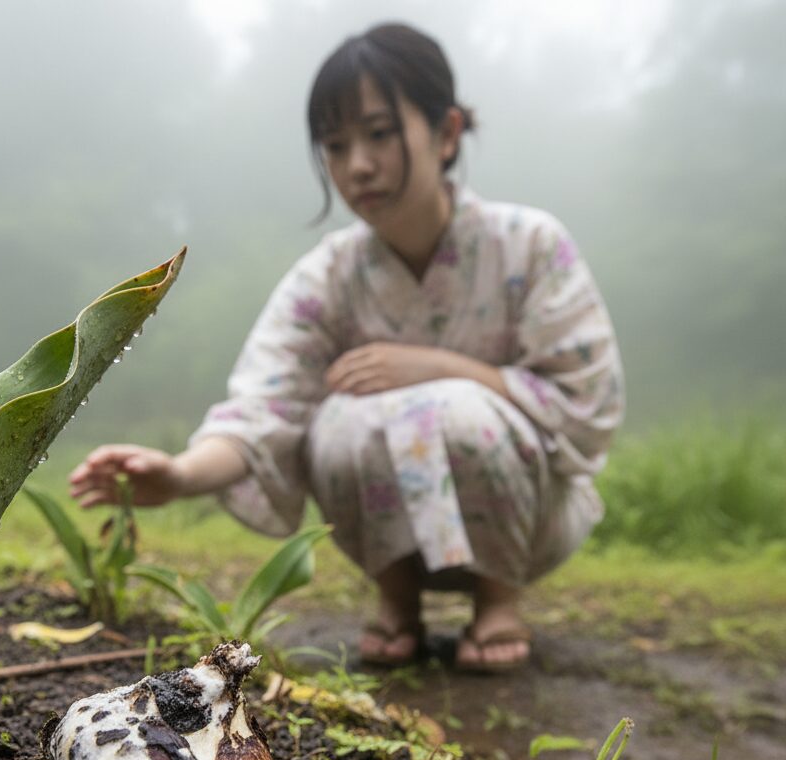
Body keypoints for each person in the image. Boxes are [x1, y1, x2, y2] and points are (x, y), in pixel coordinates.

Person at [70, 23, 624, 672]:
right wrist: (180, 474)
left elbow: (583, 400)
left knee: (450, 409)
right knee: (332, 421)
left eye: (380, 133)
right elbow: (264, 410)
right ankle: (397, 598)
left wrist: (445, 371)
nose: (358, 164)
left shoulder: (530, 245)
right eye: (336, 145)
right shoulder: (325, 277)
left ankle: (498, 600)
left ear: (446, 134)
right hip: (392, 532)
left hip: (528, 522)